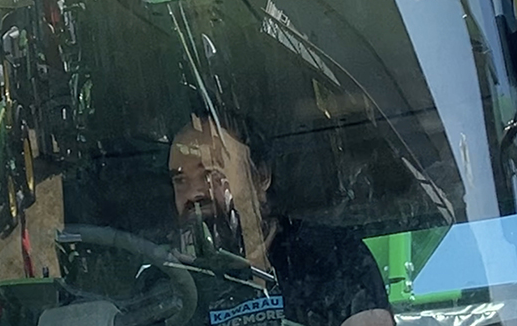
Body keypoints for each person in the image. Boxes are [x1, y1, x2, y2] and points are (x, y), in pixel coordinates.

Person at [168, 114, 394, 326]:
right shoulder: (166, 282)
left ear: (262, 177)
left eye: (211, 174)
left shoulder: (334, 256)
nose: (194, 193)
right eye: (180, 180)